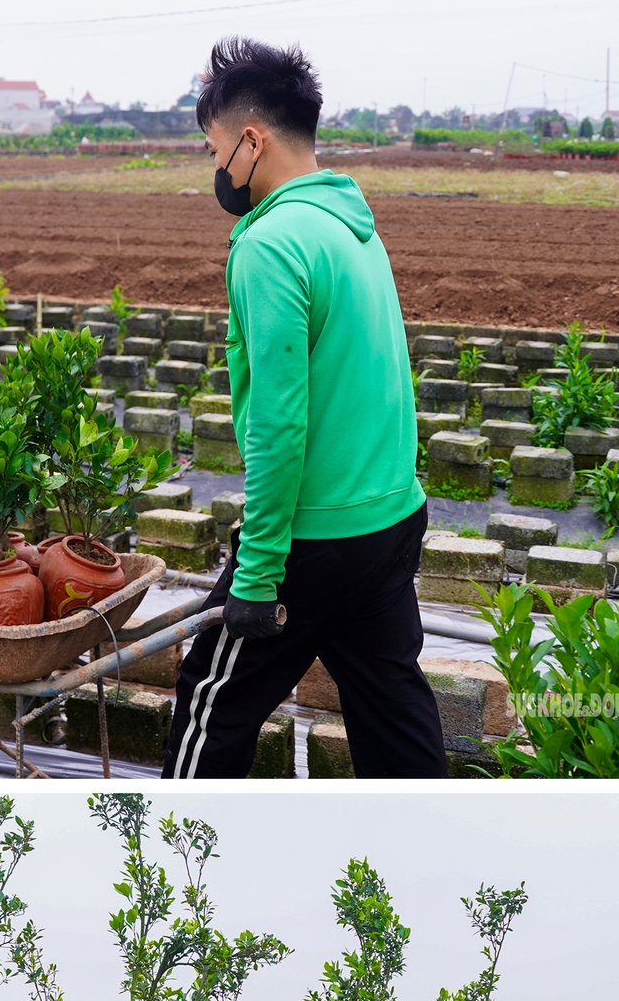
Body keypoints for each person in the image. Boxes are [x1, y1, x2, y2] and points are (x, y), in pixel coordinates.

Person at [162, 38, 446, 778]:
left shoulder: (269, 245)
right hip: (389, 518)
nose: (216, 169)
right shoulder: (352, 225)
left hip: (311, 540)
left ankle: (166, 867)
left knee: (209, 703)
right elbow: (385, 375)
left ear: (251, 140)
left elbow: (280, 426)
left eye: (215, 147)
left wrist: (256, 577)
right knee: (392, 709)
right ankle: (441, 850)